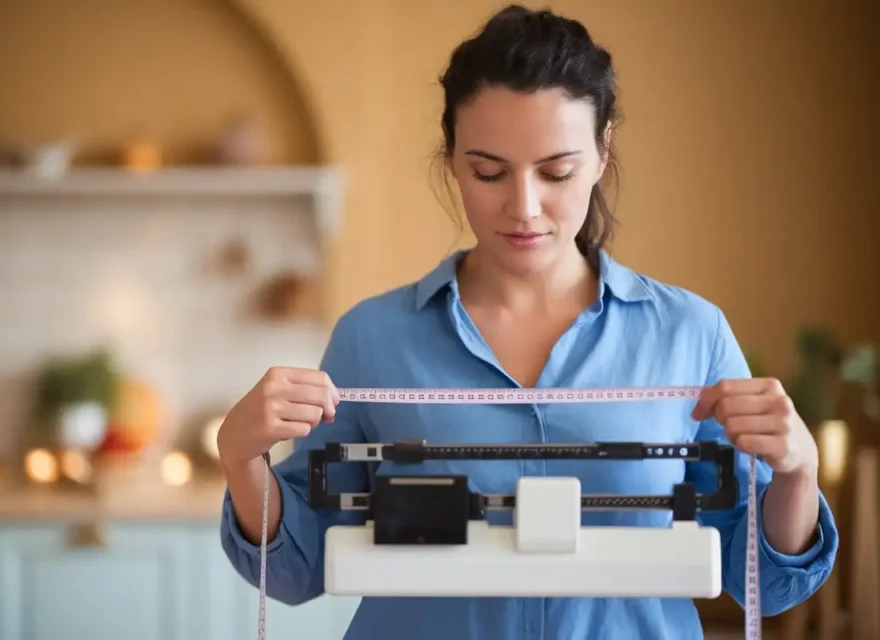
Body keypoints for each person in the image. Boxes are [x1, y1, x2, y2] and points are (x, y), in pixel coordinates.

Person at [217, 5, 838, 639]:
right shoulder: (372, 338)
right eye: (488, 172)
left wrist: (797, 472)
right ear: (452, 157)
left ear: (603, 152)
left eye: (556, 172)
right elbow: (296, 569)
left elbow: (763, 578)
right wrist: (243, 462)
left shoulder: (691, 335)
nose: (523, 206)